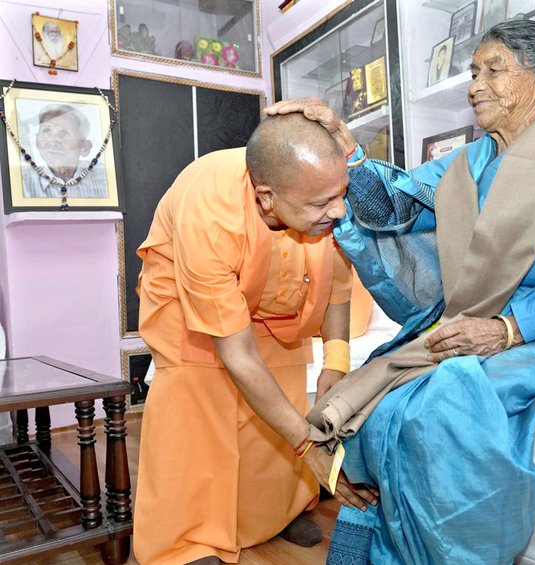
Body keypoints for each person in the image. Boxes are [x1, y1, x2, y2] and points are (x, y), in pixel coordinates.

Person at [265, 19, 535, 564]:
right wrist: (345, 146)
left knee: (437, 407)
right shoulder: (471, 161)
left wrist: (507, 329)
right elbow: (393, 206)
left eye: (494, 70)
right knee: (382, 401)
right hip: (476, 320)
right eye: (472, 71)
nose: (475, 85)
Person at [133, 113, 378, 565]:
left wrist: (336, 362)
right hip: (192, 310)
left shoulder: (318, 198)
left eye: (341, 194)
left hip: (276, 308)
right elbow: (239, 356)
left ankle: (276, 513)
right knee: (198, 420)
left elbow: (338, 283)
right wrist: (308, 446)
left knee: (281, 400)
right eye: (324, 203)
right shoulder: (209, 213)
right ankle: (188, 542)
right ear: (267, 199)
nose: (340, 211)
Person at [22, 104, 108, 198]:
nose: (53, 141)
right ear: (37, 140)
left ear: (84, 147)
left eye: (64, 133)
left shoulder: (106, 179)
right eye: (46, 131)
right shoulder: (21, 183)